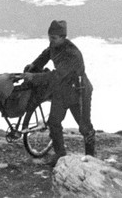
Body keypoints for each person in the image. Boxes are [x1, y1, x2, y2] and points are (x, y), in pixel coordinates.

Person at [22, 20, 95, 165]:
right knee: (54, 122)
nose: (51, 40)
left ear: (63, 37)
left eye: (54, 38)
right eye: (49, 37)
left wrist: (34, 77)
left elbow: (57, 75)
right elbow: (45, 55)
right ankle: (60, 155)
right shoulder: (54, 45)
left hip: (78, 92)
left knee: (84, 127)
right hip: (62, 91)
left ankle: (91, 158)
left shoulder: (72, 54)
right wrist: (34, 65)